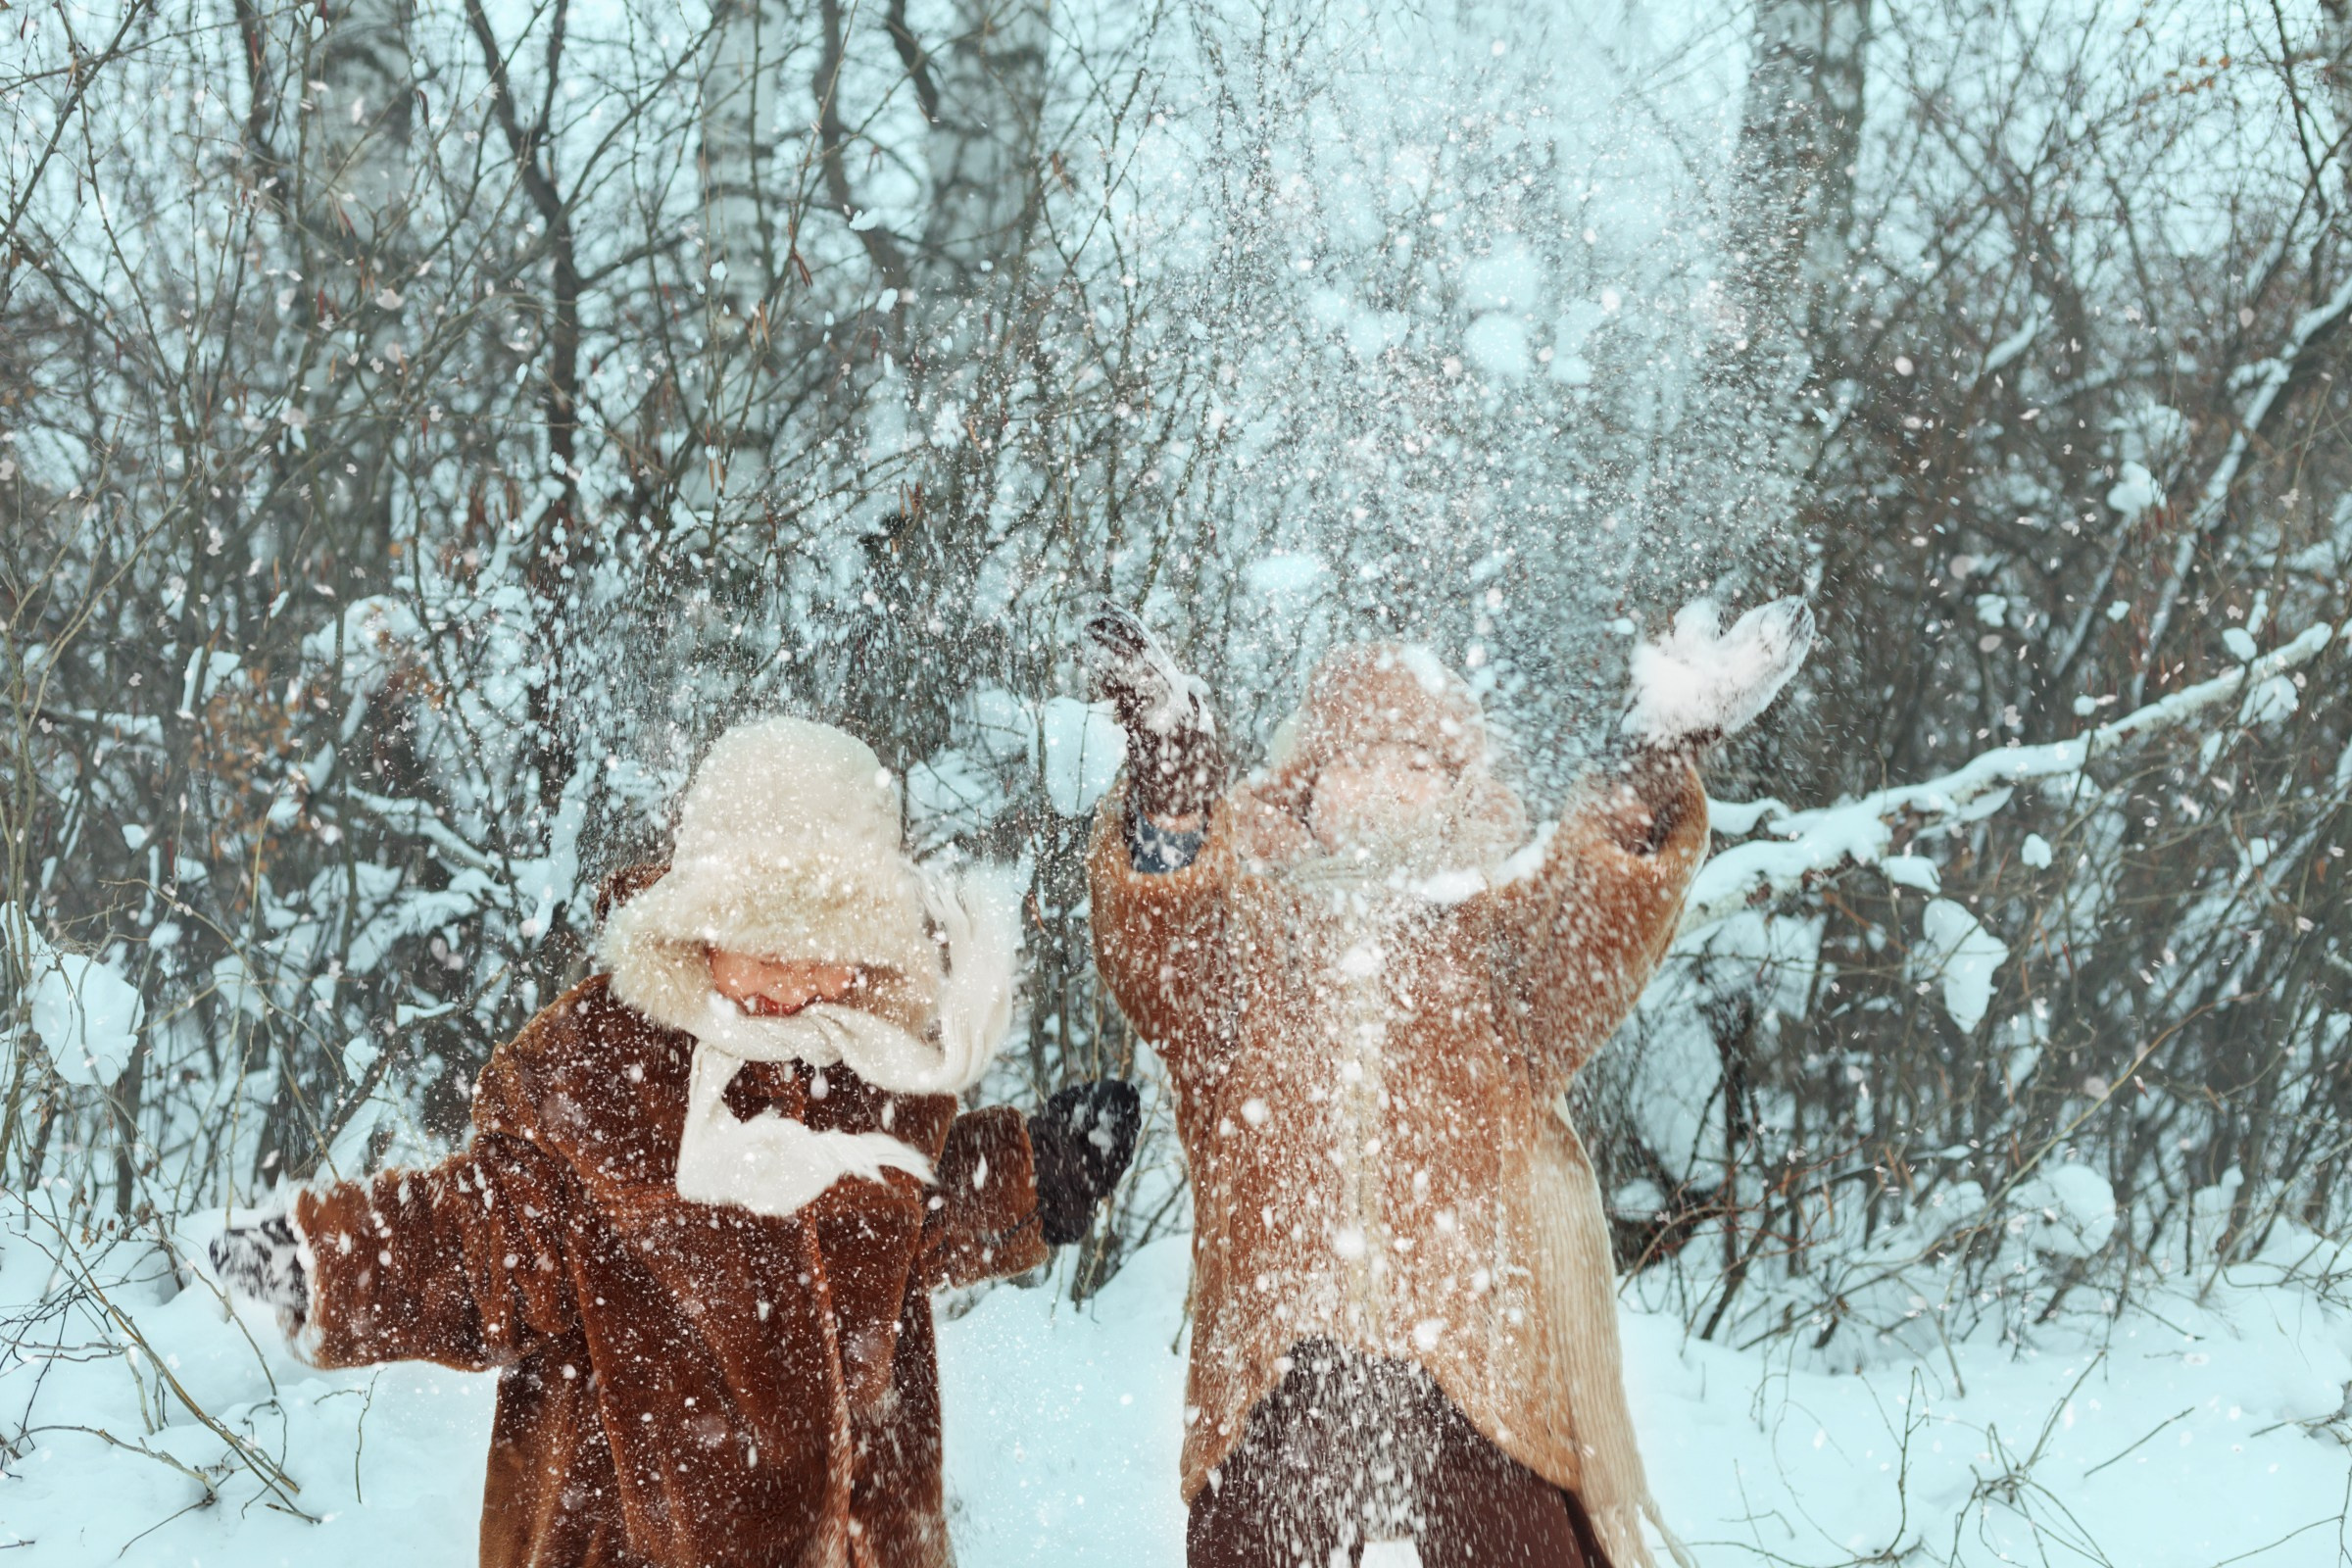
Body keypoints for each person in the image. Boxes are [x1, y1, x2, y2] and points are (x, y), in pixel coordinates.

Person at [211, 716, 1139, 1568]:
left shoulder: (877, 1073)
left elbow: (906, 1223)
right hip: (629, 1537)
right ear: (696, 923)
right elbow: (486, 1237)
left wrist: (1031, 1174)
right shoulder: (600, 1077)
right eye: (765, 949)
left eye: (826, 953)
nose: (794, 986)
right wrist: (334, 1259)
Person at [1082, 600, 1813, 1568]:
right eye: (1356, 762)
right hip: (1280, 1359)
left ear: (1458, 791)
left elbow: (1589, 920)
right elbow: (1164, 949)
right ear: (1304, 786)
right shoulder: (1250, 946)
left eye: (1417, 765)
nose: (1386, 786)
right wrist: (1170, 801)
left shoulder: (1497, 946)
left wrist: (1651, 762)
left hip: (1476, 1358)